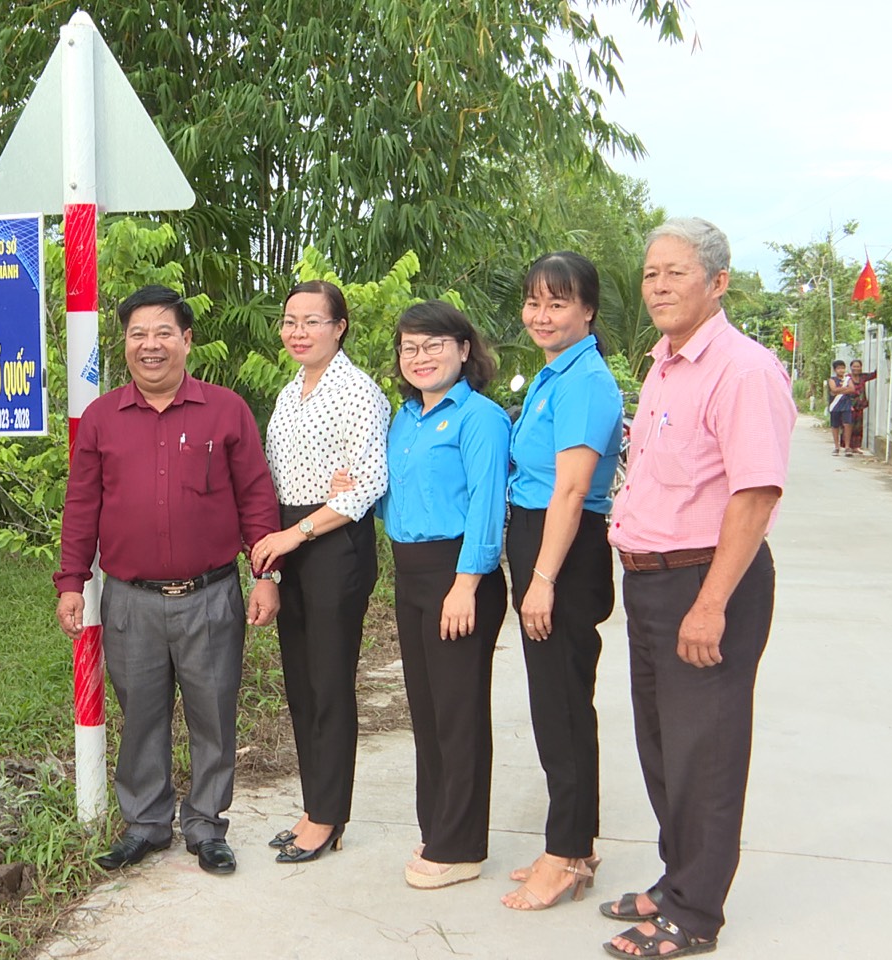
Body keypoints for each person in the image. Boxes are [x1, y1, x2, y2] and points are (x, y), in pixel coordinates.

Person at [602, 218, 794, 959]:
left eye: (675, 272)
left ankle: (694, 914)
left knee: (704, 753)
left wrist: (710, 603)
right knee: (661, 746)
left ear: (716, 283)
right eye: (650, 273)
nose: (657, 286)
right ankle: (675, 878)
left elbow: (752, 496)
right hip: (650, 582)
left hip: (707, 581)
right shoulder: (661, 366)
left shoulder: (741, 370)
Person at [54, 284, 281, 877]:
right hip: (130, 600)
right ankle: (147, 825)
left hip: (209, 596)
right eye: (137, 335)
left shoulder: (226, 411)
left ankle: (207, 826)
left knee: (213, 712)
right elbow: (81, 505)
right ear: (124, 343)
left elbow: (257, 497)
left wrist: (266, 573)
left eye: (163, 333)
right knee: (143, 716)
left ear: (187, 340)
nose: (149, 346)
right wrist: (71, 581)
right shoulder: (102, 418)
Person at [247, 280, 390, 863]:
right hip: (292, 542)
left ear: (340, 327)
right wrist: (277, 557)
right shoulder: (288, 393)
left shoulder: (359, 392)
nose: (297, 332)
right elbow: (279, 478)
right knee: (301, 682)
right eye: (290, 321)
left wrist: (296, 532)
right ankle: (314, 805)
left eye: (312, 321)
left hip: (332, 546)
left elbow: (367, 484)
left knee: (329, 683)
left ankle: (329, 817)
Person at [501, 253, 623, 910]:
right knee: (556, 700)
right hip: (541, 539)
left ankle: (568, 852)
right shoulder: (556, 374)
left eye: (557, 303)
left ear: (587, 311)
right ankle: (569, 843)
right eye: (533, 302)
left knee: (563, 704)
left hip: (563, 551)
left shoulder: (584, 381)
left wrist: (541, 578)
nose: (541, 315)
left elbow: (572, 488)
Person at [377, 301, 510, 890]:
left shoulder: (479, 417)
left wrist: (466, 584)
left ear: (463, 349)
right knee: (427, 715)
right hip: (411, 576)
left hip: (459, 576)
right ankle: (438, 830)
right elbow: (394, 494)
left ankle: (462, 847)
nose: (420, 357)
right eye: (410, 347)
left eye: (434, 345)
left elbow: (486, 505)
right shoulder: (404, 419)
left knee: (458, 715)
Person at [825, 359, 854, 456]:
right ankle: (836, 447)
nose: (841, 370)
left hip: (846, 404)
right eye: (839, 368)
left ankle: (847, 447)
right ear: (835, 370)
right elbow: (833, 389)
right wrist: (845, 389)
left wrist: (839, 390)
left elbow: (852, 389)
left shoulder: (848, 379)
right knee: (835, 425)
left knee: (847, 424)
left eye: (843, 368)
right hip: (835, 405)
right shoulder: (832, 380)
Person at [849, 358, 872, 451]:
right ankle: (847, 446)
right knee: (848, 425)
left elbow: (875, 374)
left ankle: (856, 446)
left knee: (858, 427)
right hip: (849, 405)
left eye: (858, 366)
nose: (856, 368)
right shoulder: (847, 378)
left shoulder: (863, 377)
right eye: (854, 366)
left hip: (860, 406)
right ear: (851, 367)